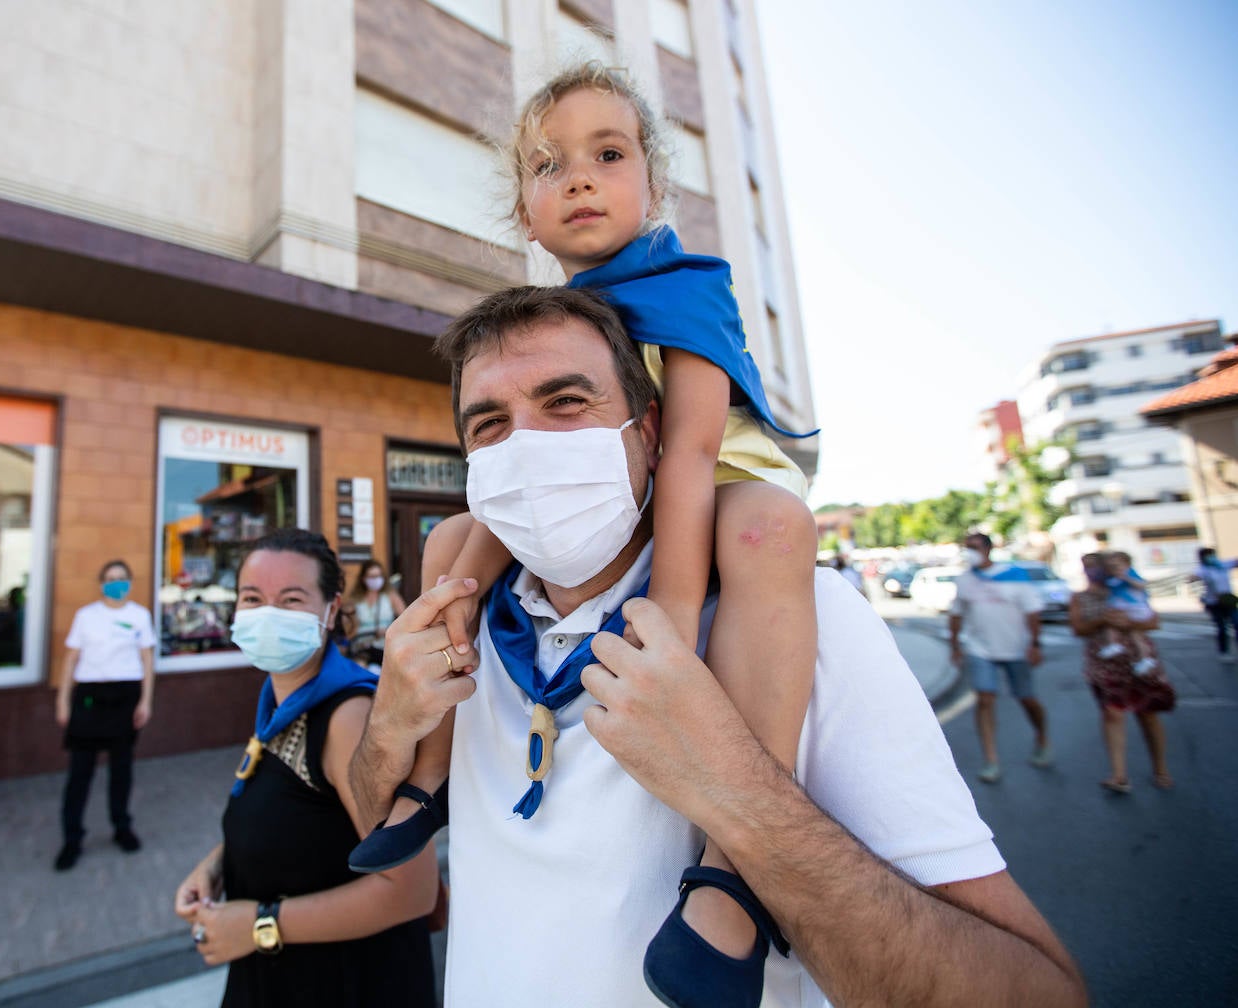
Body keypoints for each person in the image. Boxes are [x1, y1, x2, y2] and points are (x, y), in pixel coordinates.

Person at [349, 285, 1086, 1007]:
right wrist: (388, 727)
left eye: (566, 402)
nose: (528, 445)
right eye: (489, 425)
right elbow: (369, 818)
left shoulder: (802, 624)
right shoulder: (457, 625)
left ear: (647, 431)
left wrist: (735, 787)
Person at [349, 63, 819, 993]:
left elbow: (683, 453)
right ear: (524, 212)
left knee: (770, 527)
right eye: (547, 165)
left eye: (608, 154)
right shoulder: (562, 320)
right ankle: (428, 775)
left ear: (650, 186)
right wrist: (455, 590)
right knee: (448, 548)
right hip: (628, 482)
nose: (578, 178)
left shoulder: (687, 290)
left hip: (715, 479)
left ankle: (736, 867)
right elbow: (510, 483)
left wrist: (671, 620)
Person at [174, 528, 437, 1008]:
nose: (268, 614)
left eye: (291, 599)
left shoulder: (347, 717)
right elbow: (300, 822)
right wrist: (219, 863)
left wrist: (260, 924)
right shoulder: (281, 700)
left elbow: (413, 890)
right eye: (252, 597)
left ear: (331, 610)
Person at [53, 559, 155, 871]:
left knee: (121, 769)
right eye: (111, 578)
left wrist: (146, 701)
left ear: (129, 582)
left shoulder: (139, 616)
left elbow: (147, 660)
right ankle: (72, 839)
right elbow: (71, 659)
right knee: (80, 773)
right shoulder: (86, 616)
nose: (116, 583)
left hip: (125, 697)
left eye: (122, 578)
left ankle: (122, 827)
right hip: (89, 698)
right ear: (101, 583)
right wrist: (63, 702)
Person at [949, 533, 1051, 784]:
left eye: (973, 547)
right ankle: (991, 759)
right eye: (966, 547)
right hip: (980, 649)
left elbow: (1033, 613)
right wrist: (955, 646)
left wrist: (1035, 644)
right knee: (985, 699)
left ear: (987, 549)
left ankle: (1041, 736)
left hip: (1016, 649)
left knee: (1027, 698)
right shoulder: (964, 580)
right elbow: (956, 615)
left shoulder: (1015, 576)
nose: (969, 551)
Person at [1069, 552, 1174, 794]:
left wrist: (1128, 624)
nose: (1090, 571)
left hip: (1137, 656)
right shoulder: (1080, 597)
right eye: (1086, 567)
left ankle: (1160, 768)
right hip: (1104, 659)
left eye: (1094, 567)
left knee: (1147, 712)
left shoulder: (1126, 589)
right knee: (1112, 712)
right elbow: (1078, 628)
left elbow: (1153, 621)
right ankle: (1119, 775)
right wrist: (1101, 621)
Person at [1095, 551, 1157, 674]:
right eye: (1111, 567)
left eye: (1117, 566)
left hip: (1135, 608)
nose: (1114, 569)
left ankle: (1115, 645)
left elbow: (1142, 585)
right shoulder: (1113, 579)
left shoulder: (1130, 574)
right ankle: (1145, 658)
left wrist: (1126, 578)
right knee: (1135, 635)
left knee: (1114, 624)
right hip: (1127, 608)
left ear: (1127, 564)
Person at [342, 559, 407, 670]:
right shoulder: (355, 600)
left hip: (386, 646)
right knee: (360, 667)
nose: (376, 580)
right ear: (363, 579)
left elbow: (406, 620)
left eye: (378, 576)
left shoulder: (390, 596)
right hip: (362, 646)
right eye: (372, 577)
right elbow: (348, 630)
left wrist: (389, 630)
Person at [1193, 546, 1238, 662]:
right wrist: (1194, 578)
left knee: (1237, 623)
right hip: (1213, 603)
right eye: (1208, 555)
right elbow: (1194, 576)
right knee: (1222, 627)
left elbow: (1235, 562)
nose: (1211, 557)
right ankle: (1224, 652)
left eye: (1212, 554)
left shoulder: (1222, 565)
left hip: (1228, 600)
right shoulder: (1202, 569)